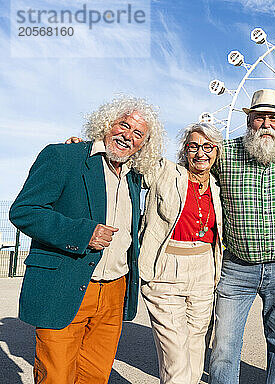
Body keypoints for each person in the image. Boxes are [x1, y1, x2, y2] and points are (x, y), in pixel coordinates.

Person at [9, 95, 163, 383]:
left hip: (114, 290)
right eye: (123, 125)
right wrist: (82, 233)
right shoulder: (64, 157)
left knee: (95, 375)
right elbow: (24, 211)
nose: (127, 136)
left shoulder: (133, 176)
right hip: (65, 283)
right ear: (107, 124)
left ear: (144, 143)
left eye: (137, 133)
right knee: (56, 375)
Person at [209, 89, 275, 384]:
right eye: (259, 117)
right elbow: (187, 173)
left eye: (274, 118)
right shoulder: (224, 154)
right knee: (224, 346)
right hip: (236, 268)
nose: (267, 124)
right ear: (248, 121)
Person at [139, 123, 224, 384]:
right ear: (184, 151)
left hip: (204, 267)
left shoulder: (219, 187)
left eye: (207, 147)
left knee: (197, 346)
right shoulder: (165, 172)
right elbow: (134, 158)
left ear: (216, 152)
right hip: (166, 267)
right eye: (193, 146)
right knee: (175, 354)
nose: (200, 153)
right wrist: (85, 148)